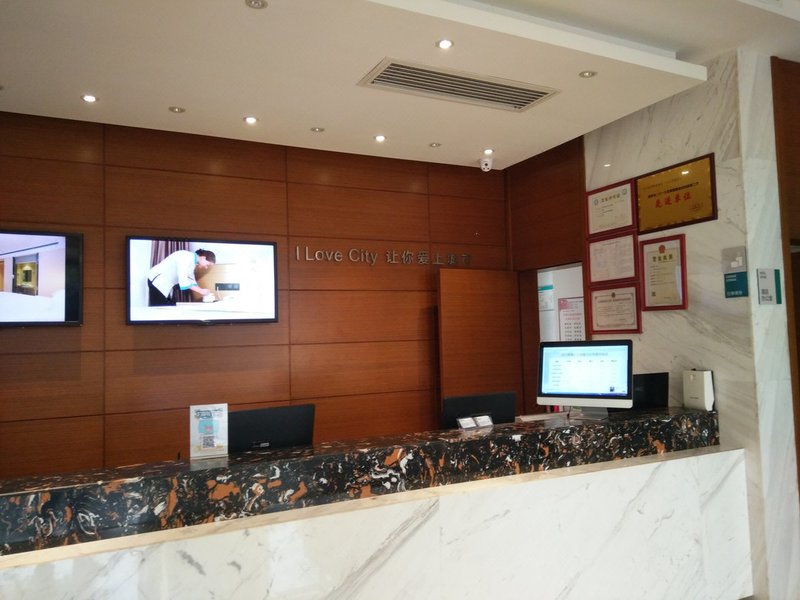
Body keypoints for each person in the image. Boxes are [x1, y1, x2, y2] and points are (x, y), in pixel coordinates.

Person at [148, 249, 216, 306]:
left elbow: (191, 280)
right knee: (160, 310)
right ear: (203, 258)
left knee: (170, 307)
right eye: (208, 265)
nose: (206, 267)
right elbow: (183, 280)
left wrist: (203, 291)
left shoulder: (193, 262)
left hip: (165, 284)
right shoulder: (186, 257)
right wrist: (201, 291)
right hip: (157, 281)